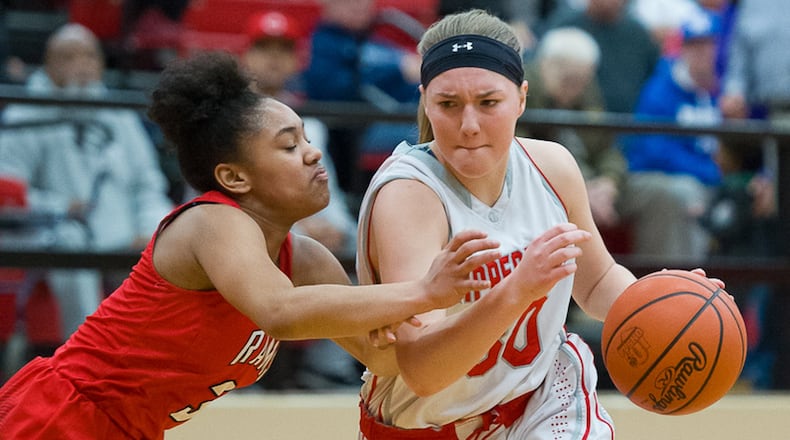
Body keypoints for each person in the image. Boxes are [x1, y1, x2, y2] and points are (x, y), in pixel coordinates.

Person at [0, 50, 503, 438]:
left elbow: (388, 362)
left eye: (307, 139)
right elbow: (279, 312)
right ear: (234, 177)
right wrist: (424, 291)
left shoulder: (306, 261)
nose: (312, 154)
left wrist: (491, 308)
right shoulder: (212, 221)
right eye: (289, 145)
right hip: (57, 414)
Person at [354, 9, 723, 439]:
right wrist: (517, 290)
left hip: (541, 403)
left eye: (488, 103)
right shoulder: (409, 196)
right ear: (425, 101)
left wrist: (666, 301)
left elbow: (597, 281)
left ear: (522, 98)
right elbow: (424, 372)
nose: (469, 125)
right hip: (427, 424)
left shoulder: (552, 166)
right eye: (448, 104)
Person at [0, 23, 174, 353]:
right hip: (50, 231)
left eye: (89, 57)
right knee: (72, 239)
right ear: (49, 65)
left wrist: (150, 227)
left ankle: (154, 357)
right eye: (68, 57)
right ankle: (83, 353)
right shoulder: (25, 111)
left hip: (123, 232)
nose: (81, 66)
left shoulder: (119, 114)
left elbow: (148, 184)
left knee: (170, 240)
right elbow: (8, 190)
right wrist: (58, 207)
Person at [241, 9, 362, 389]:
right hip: (242, 232)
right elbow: (221, 200)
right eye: (264, 48)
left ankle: (328, 366)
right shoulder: (227, 124)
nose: (274, 58)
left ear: (297, 59)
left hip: (301, 232)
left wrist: (335, 226)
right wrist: (302, 225)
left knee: (359, 244)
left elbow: (330, 195)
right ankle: (242, 371)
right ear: (246, 56)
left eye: (284, 49)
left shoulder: (313, 125)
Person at [620, 9, 723, 261]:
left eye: (708, 45)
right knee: (684, 194)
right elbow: (656, 151)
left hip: (703, 177)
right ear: (682, 49)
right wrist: (710, 174)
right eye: (695, 46)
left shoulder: (719, 89)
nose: (703, 53)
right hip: (655, 175)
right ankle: (685, 279)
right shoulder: (662, 88)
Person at [543, 0, 660, 113]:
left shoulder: (638, 34)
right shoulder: (566, 25)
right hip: (578, 115)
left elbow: (654, 75)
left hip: (630, 118)